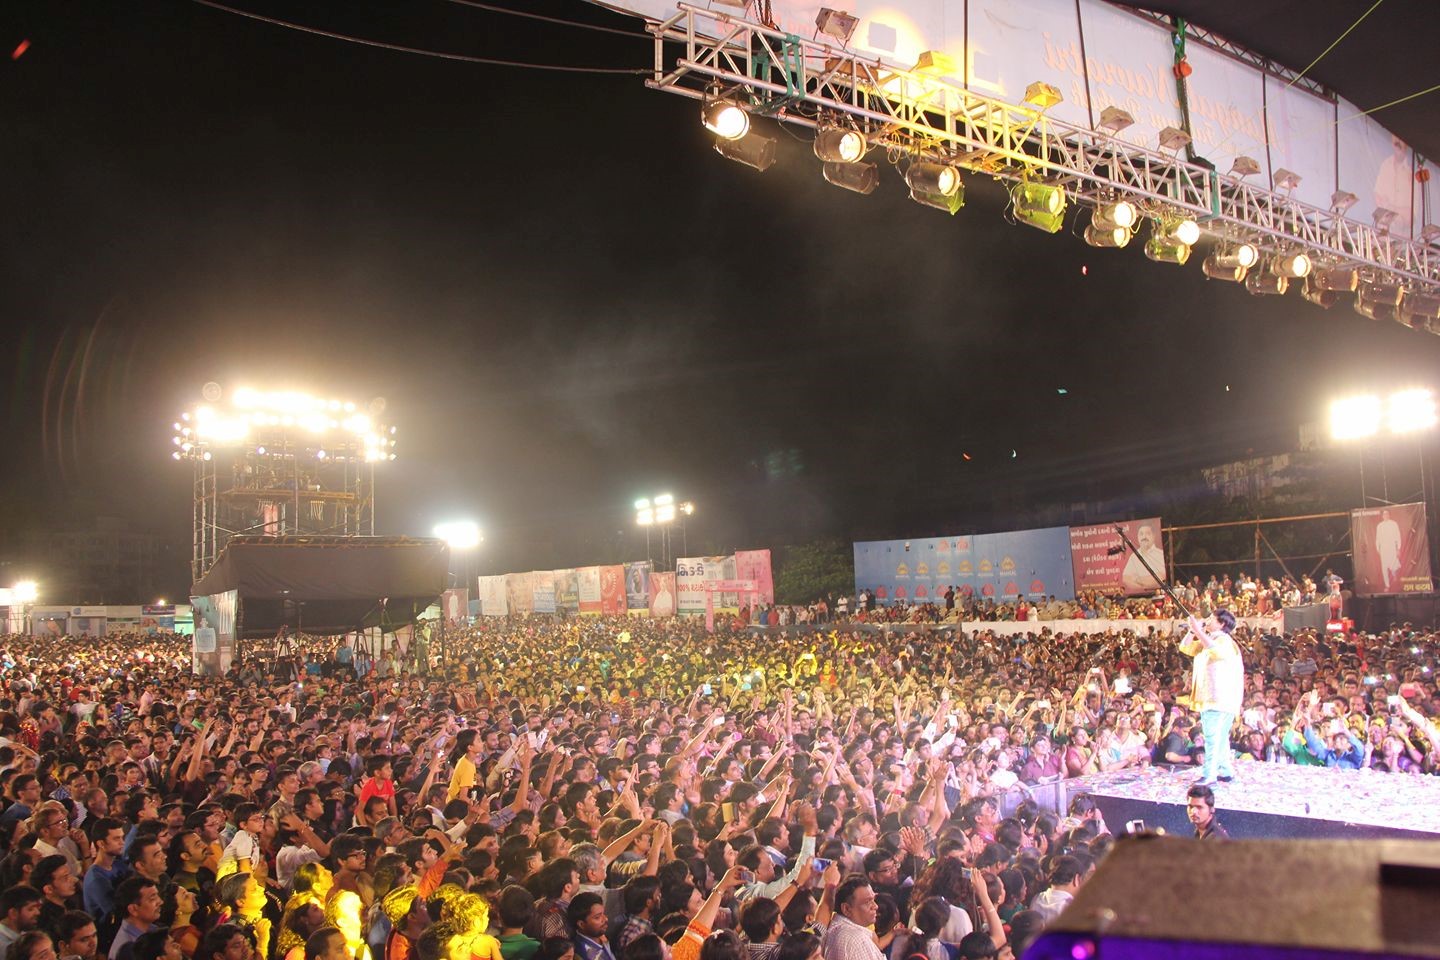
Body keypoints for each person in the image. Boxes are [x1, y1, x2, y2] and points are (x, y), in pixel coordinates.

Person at [1180, 609, 1243, 786]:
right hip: (1216, 699)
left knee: (1212, 738)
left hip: (1218, 698)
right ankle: (1225, 770)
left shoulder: (1223, 641)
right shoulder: (1209, 640)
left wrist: (1198, 630)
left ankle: (1209, 774)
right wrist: (1192, 631)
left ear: (1222, 624)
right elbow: (1185, 647)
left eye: (1211, 619)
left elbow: (1215, 650)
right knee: (1220, 738)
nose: (1207, 620)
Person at [1120, 525, 1165, 594]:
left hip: (1159, 593)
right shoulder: (1134, 556)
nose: (1144, 537)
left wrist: (1136, 579)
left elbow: (1161, 577)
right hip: (1139, 594)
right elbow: (1126, 579)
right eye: (1141, 534)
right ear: (1138, 537)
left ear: (1154, 536)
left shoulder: (1160, 554)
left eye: (1148, 533)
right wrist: (1143, 586)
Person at [1374, 510, 1403, 594]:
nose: (1385, 515)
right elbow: (1377, 538)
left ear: (1389, 515)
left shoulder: (1394, 524)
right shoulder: (1379, 526)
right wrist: (1378, 548)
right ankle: (1387, 585)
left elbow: (1398, 536)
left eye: (1387, 514)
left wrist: (1398, 548)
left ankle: (1395, 577)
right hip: (1383, 549)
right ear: (1382, 516)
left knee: (1394, 566)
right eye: (1384, 514)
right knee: (1384, 567)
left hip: (1392, 548)